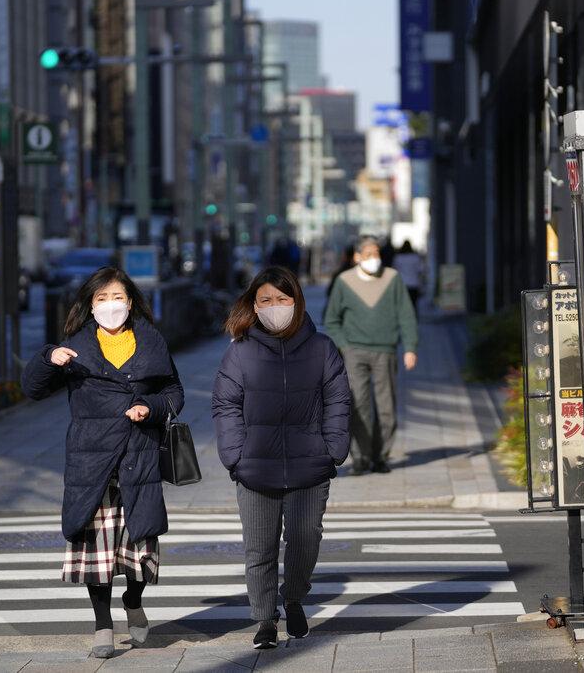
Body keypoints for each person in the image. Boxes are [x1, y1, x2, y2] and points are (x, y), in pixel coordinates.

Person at [21, 267, 183, 659]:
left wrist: (150, 407)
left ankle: (133, 601)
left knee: (140, 549)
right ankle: (102, 624)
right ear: (90, 305)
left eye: (118, 298)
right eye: (102, 298)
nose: (111, 305)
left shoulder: (150, 340)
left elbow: (174, 391)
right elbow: (32, 389)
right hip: (92, 462)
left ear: (131, 302)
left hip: (138, 458)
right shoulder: (76, 347)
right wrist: (48, 357)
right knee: (98, 555)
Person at [212, 266, 351, 649]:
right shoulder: (240, 352)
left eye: (282, 299)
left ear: (297, 301)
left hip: (311, 465)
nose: (275, 306)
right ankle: (264, 619)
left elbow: (338, 400)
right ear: (254, 306)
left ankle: (293, 598)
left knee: (305, 541)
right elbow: (225, 404)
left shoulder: (322, 348)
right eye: (266, 300)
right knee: (259, 549)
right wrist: (235, 456)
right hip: (255, 468)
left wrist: (333, 449)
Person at [324, 236, 418, 475]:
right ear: (357, 257)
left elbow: (406, 314)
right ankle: (360, 457)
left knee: (387, 407)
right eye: (368, 254)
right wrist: (344, 346)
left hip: (385, 350)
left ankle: (381, 457)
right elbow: (331, 320)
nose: (374, 258)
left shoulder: (392, 278)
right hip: (354, 352)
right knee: (358, 405)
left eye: (376, 253)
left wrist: (410, 347)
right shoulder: (344, 281)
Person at [392, 240, 424, 316]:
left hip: (402, 284)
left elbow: (394, 271)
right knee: (413, 305)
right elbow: (420, 271)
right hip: (414, 284)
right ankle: (413, 319)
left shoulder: (398, 258)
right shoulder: (415, 258)